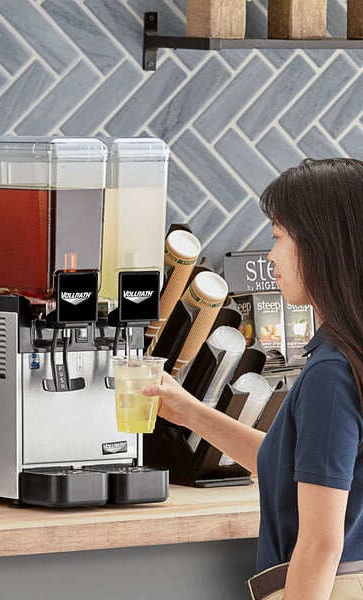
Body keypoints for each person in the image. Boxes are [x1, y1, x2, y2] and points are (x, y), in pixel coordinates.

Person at [142, 158, 363, 600]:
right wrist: (190, 412)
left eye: (279, 237)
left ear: (322, 246)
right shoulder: (345, 356)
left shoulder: (331, 373)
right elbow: (293, 463)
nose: (270, 255)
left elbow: (320, 545)